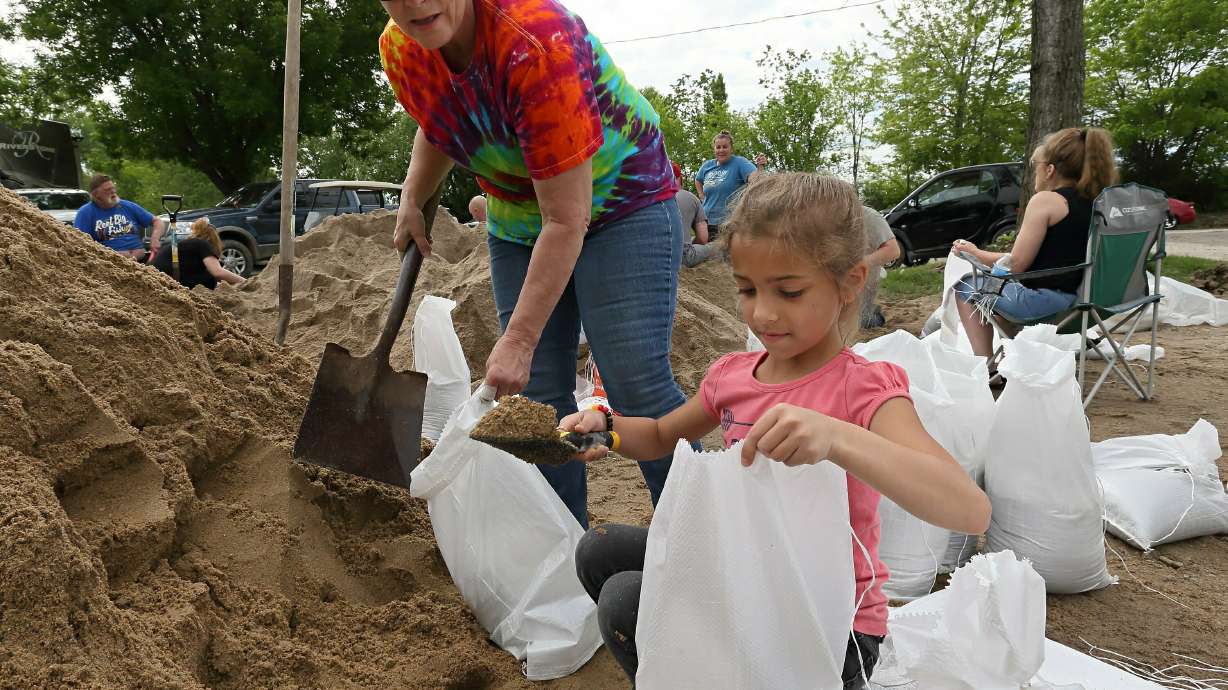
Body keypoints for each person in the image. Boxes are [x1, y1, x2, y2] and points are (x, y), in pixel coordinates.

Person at [566, 173, 991, 689]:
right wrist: (602, 431)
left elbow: (968, 509)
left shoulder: (864, 389)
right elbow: (659, 435)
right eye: (747, 289)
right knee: (601, 551)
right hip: (745, 573)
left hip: (830, 622)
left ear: (850, 281)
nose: (763, 312)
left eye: (789, 292)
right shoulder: (732, 375)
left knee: (626, 601)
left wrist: (837, 437)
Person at [379, 0, 684, 527]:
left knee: (634, 383)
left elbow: (566, 219)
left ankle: (701, 537)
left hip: (622, 204)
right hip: (519, 219)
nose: (416, 2)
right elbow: (439, 122)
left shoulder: (537, 43)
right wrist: (413, 196)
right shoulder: (401, 48)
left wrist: (519, 339)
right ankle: (565, 549)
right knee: (537, 397)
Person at [951, 127, 1119, 359]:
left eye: (1035, 166)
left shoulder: (1047, 201)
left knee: (965, 285)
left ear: (1050, 170)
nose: (1033, 174)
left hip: (1049, 304)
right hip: (1094, 302)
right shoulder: (1099, 203)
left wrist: (975, 253)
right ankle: (1013, 357)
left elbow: (1016, 265)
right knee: (998, 295)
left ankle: (986, 367)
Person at [73, 174, 164, 260]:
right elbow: (79, 242)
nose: (113, 191)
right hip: (111, 266)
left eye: (113, 188)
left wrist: (155, 239)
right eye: (107, 190)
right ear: (96, 194)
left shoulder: (127, 206)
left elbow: (157, 221)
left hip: (142, 262)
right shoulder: (85, 212)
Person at [694, 132, 764, 237]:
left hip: (730, 223)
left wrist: (760, 168)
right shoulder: (708, 165)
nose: (721, 150)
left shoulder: (740, 163)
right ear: (714, 149)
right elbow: (698, 180)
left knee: (724, 253)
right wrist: (701, 195)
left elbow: (755, 181)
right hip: (706, 221)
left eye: (725, 147)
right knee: (706, 252)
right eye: (718, 147)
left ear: (731, 148)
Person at [152, 218, 245, 289]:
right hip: (167, 279)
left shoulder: (188, 245)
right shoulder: (203, 244)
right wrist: (245, 282)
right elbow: (217, 272)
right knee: (210, 278)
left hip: (155, 277)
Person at [860, 207, 900, 328]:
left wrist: (858, 265)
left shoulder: (868, 216)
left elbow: (893, 250)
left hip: (860, 291)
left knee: (864, 321)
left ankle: (871, 313)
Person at [671, 160, 712, 268]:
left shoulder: (643, 197)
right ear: (679, 177)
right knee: (714, 245)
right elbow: (703, 238)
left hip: (648, 257)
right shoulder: (690, 197)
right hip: (681, 257)